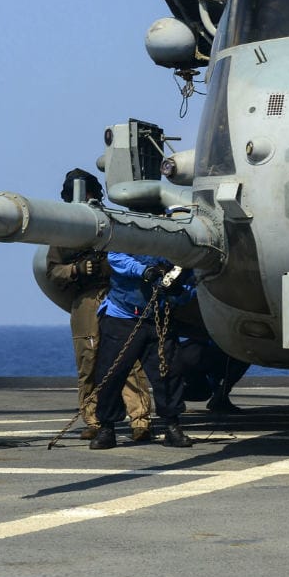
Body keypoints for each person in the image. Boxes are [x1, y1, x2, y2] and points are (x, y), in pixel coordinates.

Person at [45, 169, 153, 442]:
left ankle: (139, 418)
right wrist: (78, 269)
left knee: (128, 359)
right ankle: (93, 418)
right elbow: (53, 272)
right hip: (87, 300)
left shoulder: (110, 224)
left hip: (117, 295)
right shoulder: (63, 233)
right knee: (89, 361)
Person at [89, 252, 198, 450]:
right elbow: (115, 256)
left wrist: (179, 292)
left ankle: (172, 425)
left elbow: (191, 283)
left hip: (160, 317)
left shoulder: (181, 240)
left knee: (170, 372)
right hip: (122, 316)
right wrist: (144, 271)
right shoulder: (129, 228)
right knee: (111, 373)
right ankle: (107, 428)